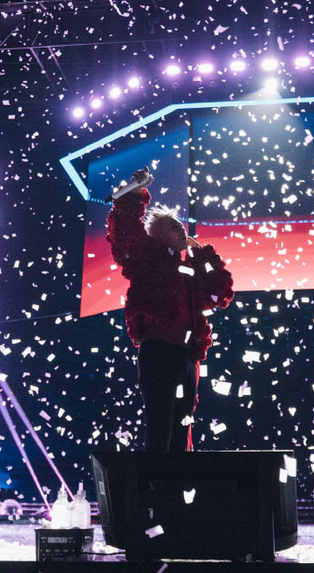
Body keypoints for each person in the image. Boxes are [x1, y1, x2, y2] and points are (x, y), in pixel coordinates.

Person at [107, 167, 235, 451]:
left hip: (186, 357)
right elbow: (125, 231)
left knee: (181, 427)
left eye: (181, 227)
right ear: (156, 236)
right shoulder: (146, 258)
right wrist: (136, 191)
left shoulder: (188, 270)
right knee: (161, 425)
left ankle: (178, 489)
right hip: (158, 352)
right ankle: (154, 489)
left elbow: (220, 292)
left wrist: (201, 252)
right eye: (173, 226)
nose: (181, 231)